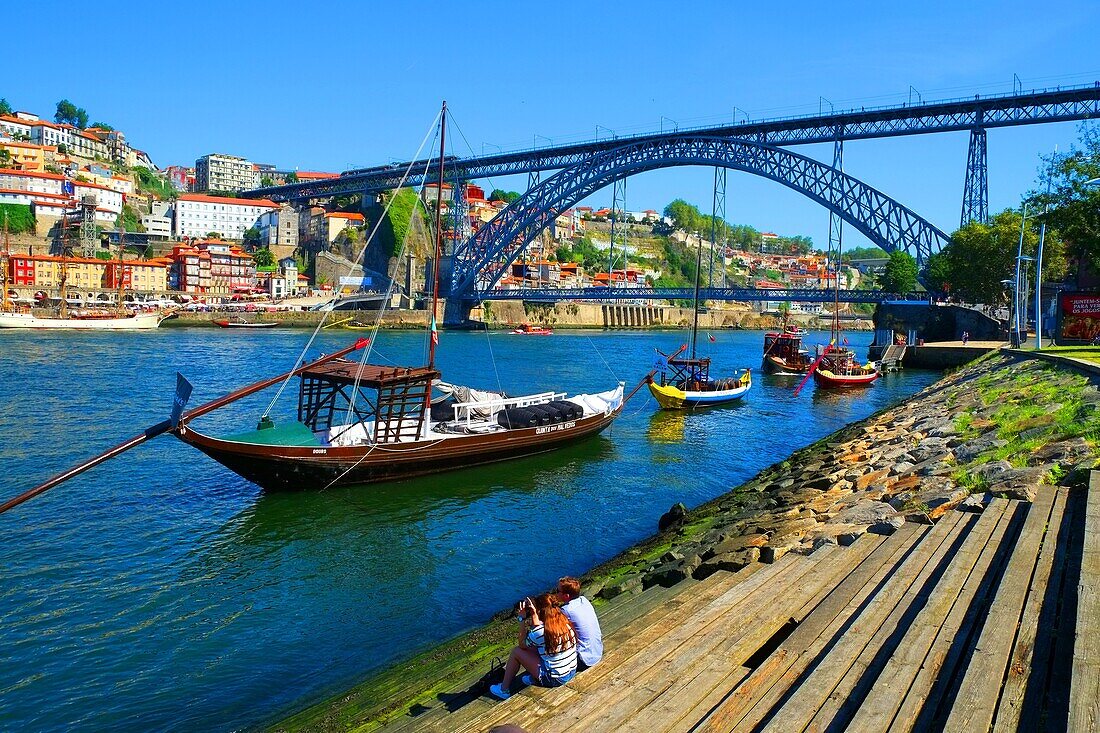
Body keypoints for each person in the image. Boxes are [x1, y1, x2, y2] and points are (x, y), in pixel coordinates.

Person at [490, 593, 577, 700]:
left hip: (555, 679)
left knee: (517, 652)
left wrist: (522, 619)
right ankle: (534, 679)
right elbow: (539, 640)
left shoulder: (540, 632)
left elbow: (522, 644)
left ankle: (504, 690)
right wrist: (535, 614)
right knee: (535, 647)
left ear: (540, 611)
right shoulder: (564, 622)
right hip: (571, 671)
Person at [557, 576, 603, 670]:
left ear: (566, 596)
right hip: (597, 651)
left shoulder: (566, 610)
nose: (555, 593)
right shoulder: (584, 600)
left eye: (558, 591)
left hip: (584, 659)